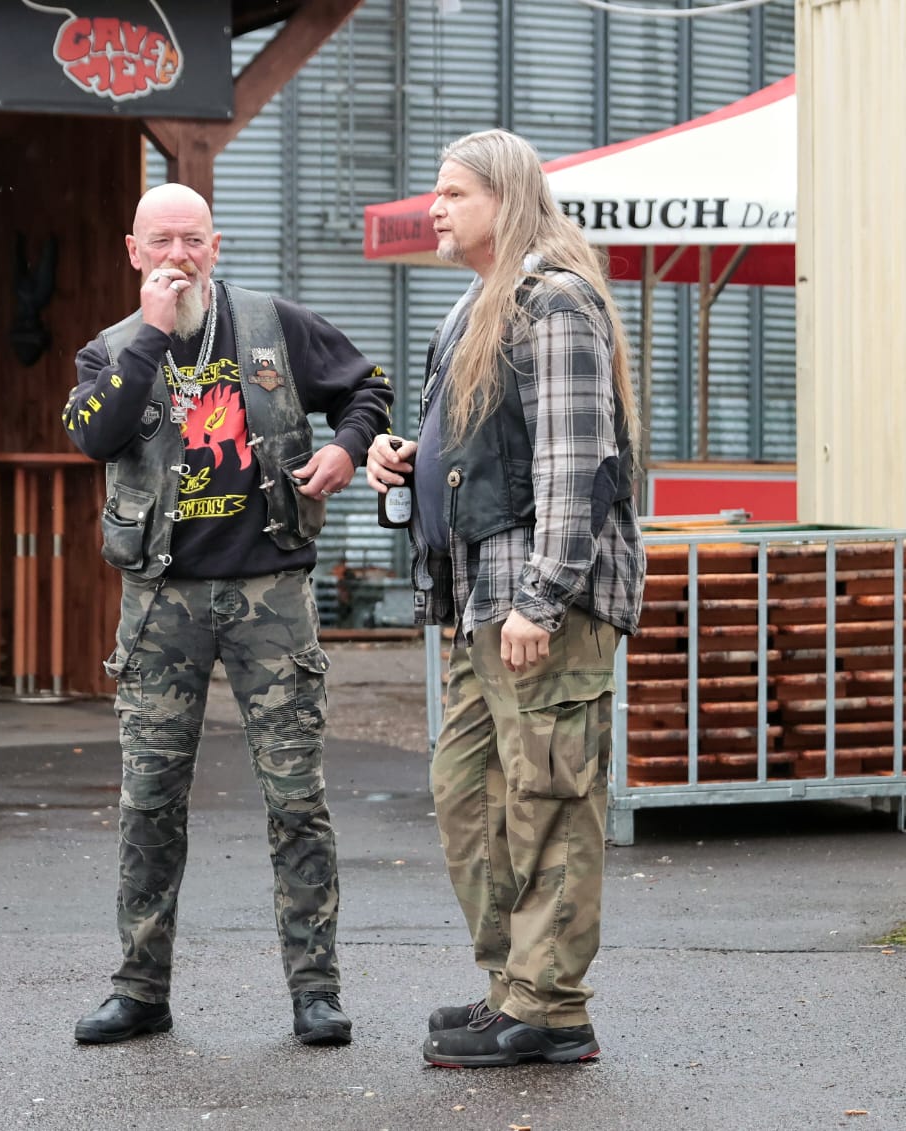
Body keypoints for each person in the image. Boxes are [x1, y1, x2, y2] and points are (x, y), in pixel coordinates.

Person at [64, 183, 392, 1048]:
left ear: (217, 246)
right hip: (160, 601)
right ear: (133, 251)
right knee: (149, 801)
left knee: (296, 799)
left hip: (269, 593)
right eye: (161, 241)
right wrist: (150, 334)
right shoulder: (110, 350)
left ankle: (316, 992)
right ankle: (139, 989)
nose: (178, 256)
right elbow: (93, 435)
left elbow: (368, 387)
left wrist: (345, 447)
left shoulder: (274, 324)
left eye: (193, 240)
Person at [366, 130, 645, 1069]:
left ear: (507, 198)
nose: (435, 208)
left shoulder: (554, 301)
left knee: (549, 800)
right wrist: (411, 456)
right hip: (482, 600)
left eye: (454, 193)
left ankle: (551, 1009)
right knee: (469, 795)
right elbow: (492, 448)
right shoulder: (472, 307)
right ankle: (512, 985)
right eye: (435, 191)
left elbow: (578, 464)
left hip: (539, 605)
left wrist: (543, 597)